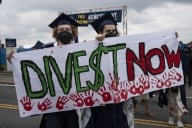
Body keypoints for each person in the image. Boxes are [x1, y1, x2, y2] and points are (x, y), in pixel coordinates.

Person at [38, 13, 91, 128]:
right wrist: (12, 59)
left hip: (74, 105)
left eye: (67, 29)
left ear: (73, 31)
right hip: (54, 106)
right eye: (61, 29)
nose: (64, 31)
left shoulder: (82, 50)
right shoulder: (46, 50)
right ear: (56, 32)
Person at [89, 12, 134, 128]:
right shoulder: (93, 48)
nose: (112, 33)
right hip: (102, 98)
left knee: (120, 121)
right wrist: (97, 42)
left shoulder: (122, 46)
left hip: (119, 96)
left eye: (113, 31)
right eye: (108, 31)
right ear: (100, 32)